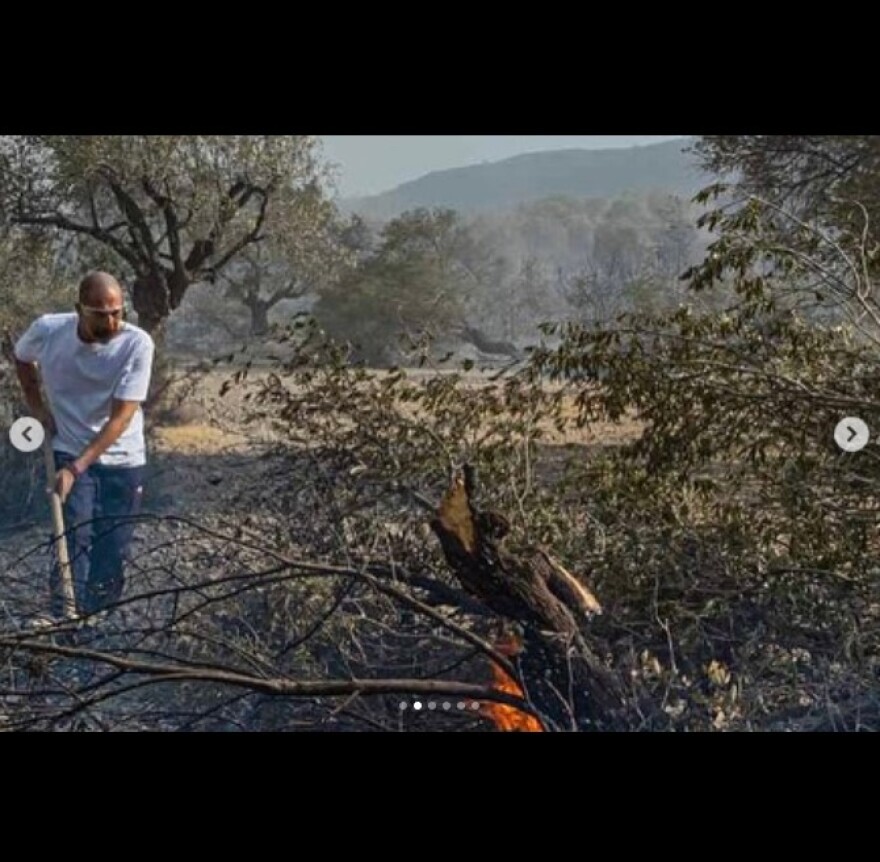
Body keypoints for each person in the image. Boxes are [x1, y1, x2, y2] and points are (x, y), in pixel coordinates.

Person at [14, 271, 155, 618]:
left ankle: (99, 625)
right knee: (74, 534)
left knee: (114, 545)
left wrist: (78, 468)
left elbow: (120, 419)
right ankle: (63, 615)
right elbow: (22, 356)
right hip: (69, 446)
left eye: (117, 313)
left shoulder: (138, 344)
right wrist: (37, 408)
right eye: (100, 313)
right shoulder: (49, 331)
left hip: (123, 457)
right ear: (79, 309)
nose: (111, 321)